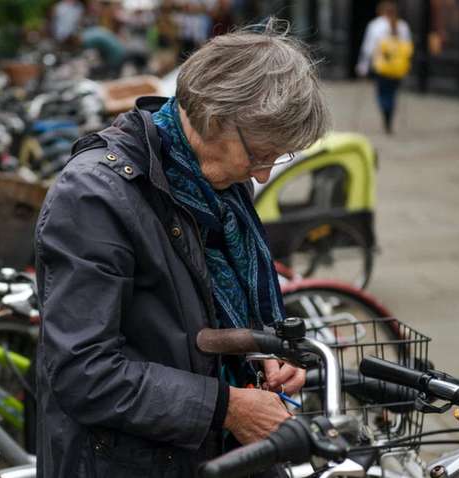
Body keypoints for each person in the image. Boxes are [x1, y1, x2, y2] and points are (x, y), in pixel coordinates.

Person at [34, 19, 329, 478]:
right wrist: (227, 407)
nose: (263, 174)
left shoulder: (216, 184)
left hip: (209, 455)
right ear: (214, 115)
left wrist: (260, 348)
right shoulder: (94, 196)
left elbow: (203, 315)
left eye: (277, 157)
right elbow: (84, 373)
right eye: (259, 154)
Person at [356, 1, 413, 134]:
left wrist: (363, 65)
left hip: (381, 67)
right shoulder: (403, 26)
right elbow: (408, 48)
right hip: (398, 68)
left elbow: (368, 47)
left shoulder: (375, 25)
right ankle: (389, 113)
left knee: (382, 92)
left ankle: (385, 112)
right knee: (392, 92)